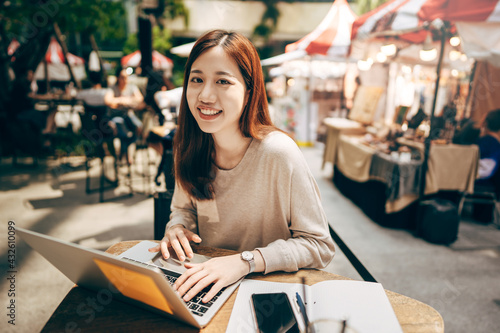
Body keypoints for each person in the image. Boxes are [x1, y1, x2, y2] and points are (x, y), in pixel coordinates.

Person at [148, 30, 335, 304]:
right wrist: (177, 227)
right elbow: (183, 208)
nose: (205, 95)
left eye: (223, 81)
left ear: (249, 92)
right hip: (203, 284)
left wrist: (245, 261)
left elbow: (319, 247)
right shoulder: (187, 146)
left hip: (267, 294)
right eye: (197, 79)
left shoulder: (278, 153)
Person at [104, 69, 144, 162]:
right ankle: (125, 153)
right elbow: (108, 101)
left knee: (139, 127)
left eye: (126, 77)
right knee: (123, 132)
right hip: (116, 116)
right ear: (118, 78)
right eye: (122, 77)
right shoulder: (112, 88)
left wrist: (121, 101)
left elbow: (140, 99)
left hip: (128, 114)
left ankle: (124, 150)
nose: (125, 80)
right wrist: (124, 100)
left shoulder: (131, 87)